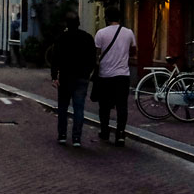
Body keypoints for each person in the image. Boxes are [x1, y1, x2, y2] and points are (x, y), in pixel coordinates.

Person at [91, 10, 137, 145]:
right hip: (122, 75)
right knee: (122, 105)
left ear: (106, 18)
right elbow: (133, 52)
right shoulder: (128, 32)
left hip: (105, 75)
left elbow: (97, 53)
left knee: (104, 106)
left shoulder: (101, 33)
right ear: (120, 18)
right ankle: (120, 134)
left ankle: (104, 131)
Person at [50, 13, 96, 147]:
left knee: (63, 107)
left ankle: (62, 135)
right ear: (79, 23)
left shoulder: (61, 38)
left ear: (66, 24)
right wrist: (87, 72)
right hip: (81, 77)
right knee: (79, 107)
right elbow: (92, 58)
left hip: (65, 77)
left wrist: (54, 76)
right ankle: (76, 137)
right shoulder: (87, 38)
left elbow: (55, 58)